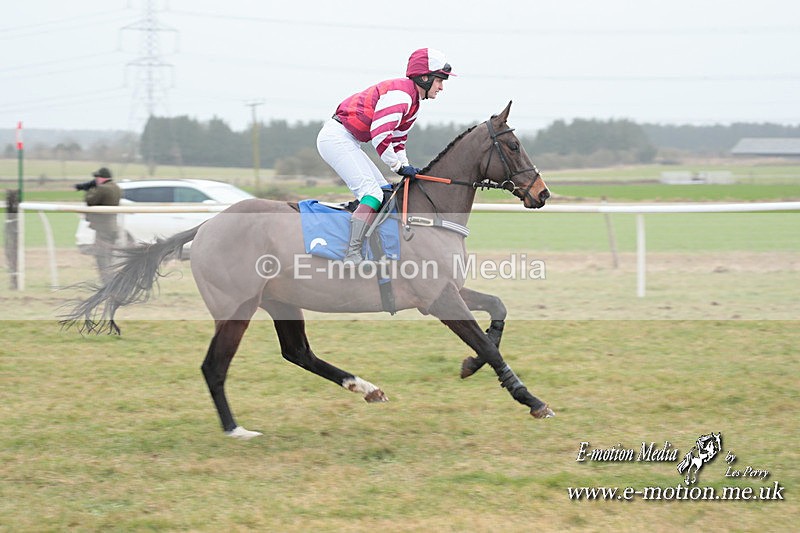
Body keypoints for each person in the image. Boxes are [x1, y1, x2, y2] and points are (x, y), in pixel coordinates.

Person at [317, 47, 455, 266]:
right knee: (372, 193)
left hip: (348, 139)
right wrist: (398, 167)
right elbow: (380, 135)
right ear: (425, 77)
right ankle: (351, 254)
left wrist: (406, 166)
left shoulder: (414, 102)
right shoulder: (401, 96)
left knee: (384, 192)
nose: (441, 87)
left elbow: (398, 141)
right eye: (440, 80)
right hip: (336, 138)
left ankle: (372, 246)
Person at [75, 167, 121, 281]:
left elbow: (90, 201)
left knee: (102, 256)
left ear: (102, 178)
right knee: (109, 256)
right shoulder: (116, 187)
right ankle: (111, 279)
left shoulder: (103, 189)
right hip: (113, 226)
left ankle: (107, 281)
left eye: (97, 177)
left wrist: (89, 189)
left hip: (103, 227)